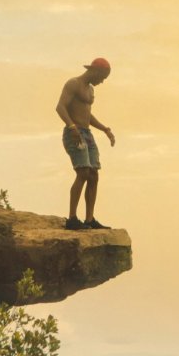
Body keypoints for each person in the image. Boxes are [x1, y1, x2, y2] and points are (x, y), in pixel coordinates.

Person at [56, 58, 116, 230]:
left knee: (93, 175)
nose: (102, 81)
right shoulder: (73, 84)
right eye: (102, 77)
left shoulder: (89, 89)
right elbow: (60, 107)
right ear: (95, 71)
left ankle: (89, 219)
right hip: (74, 133)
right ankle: (72, 218)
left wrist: (104, 129)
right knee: (83, 172)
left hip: (87, 134)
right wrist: (71, 126)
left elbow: (87, 115)